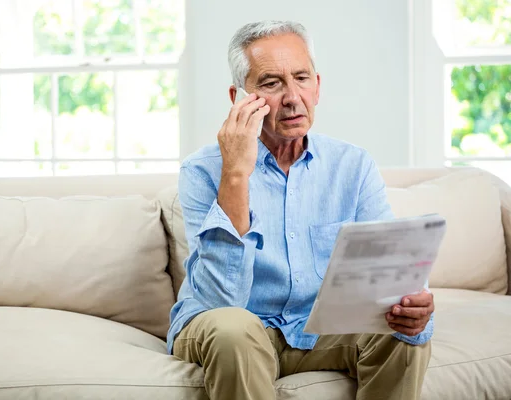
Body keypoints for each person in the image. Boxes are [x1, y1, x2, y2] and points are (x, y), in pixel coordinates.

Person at [167, 20, 434, 400]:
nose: (292, 96)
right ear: (238, 98)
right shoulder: (203, 169)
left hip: (317, 327)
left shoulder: (353, 165)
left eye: (302, 78)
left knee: (403, 330)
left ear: (318, 86)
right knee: (232, 329)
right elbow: (218, 300)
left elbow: (387, 274)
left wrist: (411, 304)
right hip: (230, 327)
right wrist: (237, 174)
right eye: (271, 83)